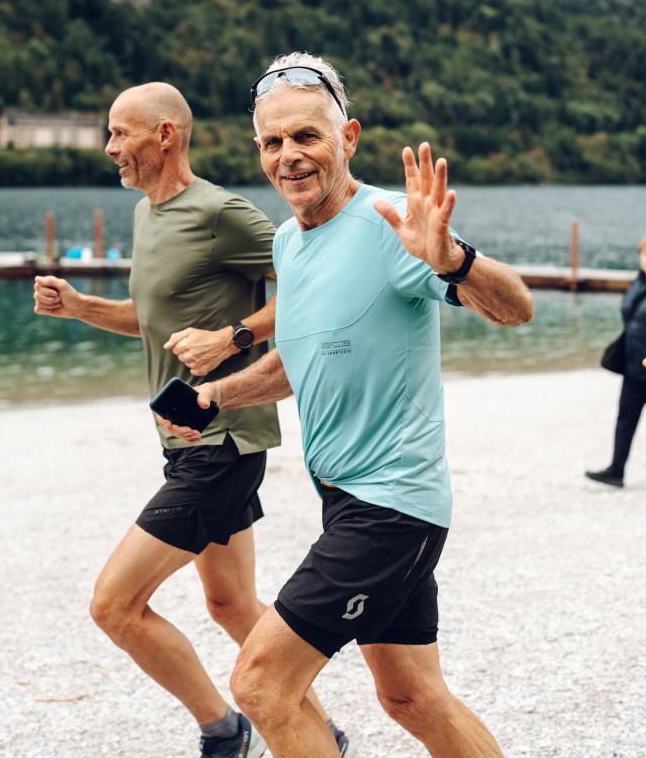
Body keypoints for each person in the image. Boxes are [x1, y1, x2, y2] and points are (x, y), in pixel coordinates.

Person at [158, 52, 534, 758]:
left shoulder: (390, 224)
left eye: (307, 136)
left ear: (348, 138)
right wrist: (215, 396)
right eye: (273, 142)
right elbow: (301, 357)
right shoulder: (288, 242)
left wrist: (455, 260)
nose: (289, 156)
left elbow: (516, 309)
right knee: (412, 697)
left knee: (262, 683)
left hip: (392, 505)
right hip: (347, 499)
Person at [31, 82, 349, 758]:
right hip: (182, 437)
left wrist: (234, 337)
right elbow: (153, 320)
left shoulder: (220, 213)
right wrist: (81, 307)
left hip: (222, 440)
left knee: (114, 605)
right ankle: (322, 734)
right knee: (230, 603)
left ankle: (224, 730)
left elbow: (313, 283)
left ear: (166, 134)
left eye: (120, 133)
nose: (110, 148)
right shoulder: (147, 214)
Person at [585, 233, 646, 488]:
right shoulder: (638, 283)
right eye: (645, 253)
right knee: (625, 420)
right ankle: (616, 471)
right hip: (634, 367)